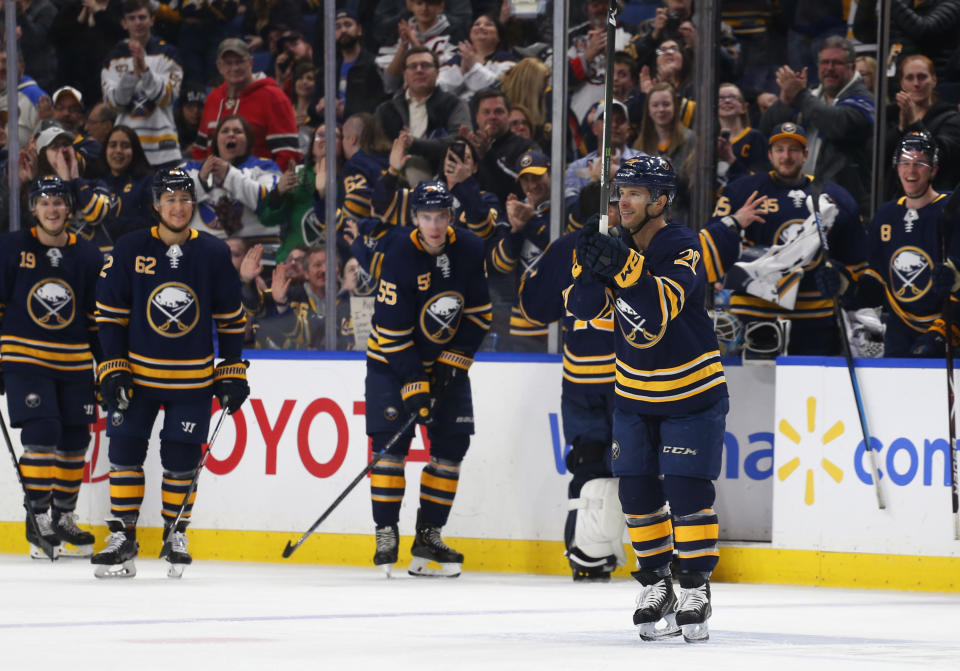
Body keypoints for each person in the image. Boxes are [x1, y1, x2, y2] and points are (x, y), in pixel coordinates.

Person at [567, 156, 727, 642]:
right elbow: (581, 309)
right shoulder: (614, 242)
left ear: (661, 200)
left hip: (691, 391)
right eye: (620, 192)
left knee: (687, 491)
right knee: (636, 495)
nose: (623, 201)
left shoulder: (683, 245)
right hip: (634, 393)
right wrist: (592, 266)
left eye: (635, 192)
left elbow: (657, 310)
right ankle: (658, 583)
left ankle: (695, 585)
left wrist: (622, 264)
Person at [92, 167, 249, 579]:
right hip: (138, 377)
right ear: (156, 205)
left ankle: (175, 531)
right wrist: (112, 367)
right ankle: (123, 535)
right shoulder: (128, 249)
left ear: (192, 204)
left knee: (181, 459)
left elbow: (231, 320)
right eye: (170, 199)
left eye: (184, 199)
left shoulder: (213, 253)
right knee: (124, 453)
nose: (178, 207)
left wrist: (231, 368)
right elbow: (109, 317)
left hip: (192, 380)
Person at [366, 181, 491, 578]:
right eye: (426, 217)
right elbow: (391, 333)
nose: (434, 225)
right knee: (390, 448)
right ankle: (386, 531)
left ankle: (428, 536)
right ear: (415, 217)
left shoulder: (470, 249)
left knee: (452, 448)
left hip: (446, 364)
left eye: (440, 217)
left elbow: (478, 316)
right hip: (391, 363)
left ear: (449, 217)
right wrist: (415, 383)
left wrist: (453, 365)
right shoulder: (399, 252)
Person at [516, 201, 622, 581]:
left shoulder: (566, 247)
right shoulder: (639, 245)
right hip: (629, 378)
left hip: (581, 378)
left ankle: (588, 554)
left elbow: (533, 307)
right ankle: (661, 555)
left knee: (590, 460)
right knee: (638, 463)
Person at [0, 175, 104, 559]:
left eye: (59, 202)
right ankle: (38, 517)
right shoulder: (11, 248)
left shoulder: (89, 256)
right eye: (44, 202)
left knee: (76, 440)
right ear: (33, 209)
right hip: (25, 356)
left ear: (69, 209)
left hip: (75, 360)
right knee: (43, 431)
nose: (53, 209)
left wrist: (107, 365)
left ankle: (63, 515)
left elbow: (96, 319)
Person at [714, 123, 866, 359]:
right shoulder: (742, 192)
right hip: (756, 316)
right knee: (755, 393)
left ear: (805, 155)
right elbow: (713, 241)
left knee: (815, 392)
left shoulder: (835, 197)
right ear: (769, 154)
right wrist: (735, 223)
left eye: (794, 150)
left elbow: (856, 260)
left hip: (816, 318)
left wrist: (841, 278)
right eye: (780, 149)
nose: (786, 156)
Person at [858, 132, 960, 357]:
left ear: (933, 169)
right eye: (904, 163)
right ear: (897, 168)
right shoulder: (886, 215)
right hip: (899, 329)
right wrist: (844, 286)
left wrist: (956, 279)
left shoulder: (952, 210)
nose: (911, 171)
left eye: (919, 164)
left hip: (946, 324)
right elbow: (875, 280)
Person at [760, 36, 875, 215]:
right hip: (803, 200)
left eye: (836, 63)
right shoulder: (811, 96)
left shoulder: (864, 99)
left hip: (845, 206)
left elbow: (838, 125)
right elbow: (767, 128)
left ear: (852, 67)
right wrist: (785, 100)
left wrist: (799, 95)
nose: (829, 68)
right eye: (824, 62)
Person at [193, 38, 301, 171]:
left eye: (240, 62)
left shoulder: (274, 97)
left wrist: (268, 186)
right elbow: (200, 151)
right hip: (214, 188)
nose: (234, 68)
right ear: (219, 66)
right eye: (228, 63)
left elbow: (288, 154)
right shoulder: (213, 98)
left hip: (259, 187)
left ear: (251, 62)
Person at [101, 0, 183, 169]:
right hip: (126, 150)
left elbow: (167, 98)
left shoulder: (169, 53)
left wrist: (145, 72)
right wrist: (132, 76)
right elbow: (113, 104)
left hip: (164, 150)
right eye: (132, 18)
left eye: (142, 17)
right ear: (124, 23)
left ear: (152, 20)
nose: (138, 22)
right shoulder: (113, 58)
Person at [487, 149, 552, 351]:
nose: (532, 185)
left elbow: (568, 255)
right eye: (526, 180)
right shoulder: (514, 211)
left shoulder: (566, 207)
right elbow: (501, 264)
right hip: (522, 323)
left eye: (537, 177)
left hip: (559, 318)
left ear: (550, 174)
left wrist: (532, 224)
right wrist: (515, 231)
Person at [184, 114, 282, 248]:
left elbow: (270, 202)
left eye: (238, 131)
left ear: (248, 140)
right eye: (225, 131)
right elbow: (168, 203)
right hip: (204, 254)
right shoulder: (191, 169)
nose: (231, 135)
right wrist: (201, 180)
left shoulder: (265, 167)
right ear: (216, 140)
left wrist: (229, 175)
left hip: (258, 252)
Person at [374, 46, 472, 171]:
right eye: (413, 66)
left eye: (425, 65)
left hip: (440, 172)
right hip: (391, 171)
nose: (419, 70)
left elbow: (460, 141)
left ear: (437, 72)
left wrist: (414, 144)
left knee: (413, 165)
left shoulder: (454, 104)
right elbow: (375, 146)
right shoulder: (386, 109)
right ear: (404, 75)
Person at [886, 54, 960, 196]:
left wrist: (914, 124)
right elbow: (878, 156)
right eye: (909, 78)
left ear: (934, 80)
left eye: (922, 77)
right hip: (894, 198)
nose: (916, 84)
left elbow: (939, 155)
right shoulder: (890, 116)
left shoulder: (951, 118)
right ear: (901, 83)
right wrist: (900, 129)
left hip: (934, 198)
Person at [634, 83, 695, 226]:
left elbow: (695, 191)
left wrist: (673, 177)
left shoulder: (691, 140)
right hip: (647, 222)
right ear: (648, 110)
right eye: (655, 105)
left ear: (675, 107)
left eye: (666, 104)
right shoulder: (639, 145)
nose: (661, 109)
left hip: (681, 219)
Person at [89, 125, 156, 247]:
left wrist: (108, 223)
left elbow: (152, 224)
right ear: (105, 150)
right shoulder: (94, 181)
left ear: (135, 150)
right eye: (113, 145)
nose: (118, 150)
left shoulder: (148, 181)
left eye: (125, 146)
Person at [437, 12, 517, 103]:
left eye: (488, 24)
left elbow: (498, 89)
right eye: (477, 24)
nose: (481, 27)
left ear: (499, 36)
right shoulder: (457, 58)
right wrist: (461, 71)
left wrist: (473, 66)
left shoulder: (506, 59)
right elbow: (439, 87)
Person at [716, 83, 768, 185]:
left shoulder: (755, 138)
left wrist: (730, 159)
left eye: (733, 97)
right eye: (721, 98)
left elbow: (760, 180)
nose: (727, 101)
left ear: (744, 108)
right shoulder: (708, 140)